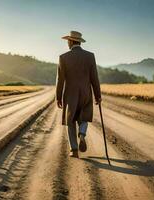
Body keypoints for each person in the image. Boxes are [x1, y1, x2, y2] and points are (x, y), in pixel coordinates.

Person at [56, 30, 102, 158]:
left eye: (67, 42)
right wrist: (98, 95)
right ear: (79, 42)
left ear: (70, 41)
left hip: (70, 94)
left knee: (70, 121)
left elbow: (60, 80)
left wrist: (58, 97)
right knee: (84, 117)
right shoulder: (90, 56)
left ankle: (74, 149)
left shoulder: (63, 57)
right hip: (86, 92)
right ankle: (82, 133)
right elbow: (94, 78)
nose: (67, 44)